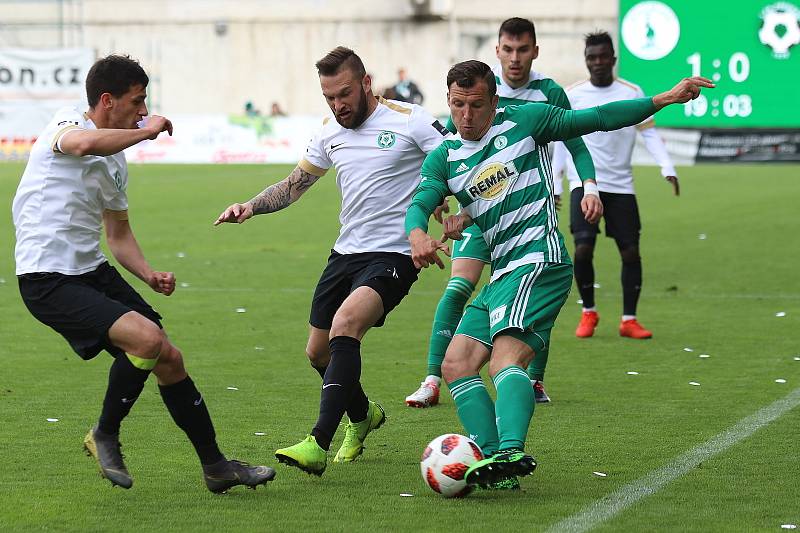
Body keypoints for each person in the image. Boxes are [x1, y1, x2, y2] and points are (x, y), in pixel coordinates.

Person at [406, 60, 712, 488]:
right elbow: (421, 201)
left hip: (539, 260)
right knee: (457, 364)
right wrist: (419, 233)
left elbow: (599, 119)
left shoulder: (526, 120)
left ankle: (510, 450)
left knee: (504, 361)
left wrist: (662, 99)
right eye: (458, 105)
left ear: (494, 100)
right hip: (504, 273)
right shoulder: (445, 156)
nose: (467, 116)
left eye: (476, 105)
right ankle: (496, 467)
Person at [12, 55, 275, 493]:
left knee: (168, 356)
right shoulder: (67, 123)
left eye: (145, 103)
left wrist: (148, 273)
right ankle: (104, 433)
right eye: (137, 102)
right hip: (46, 276)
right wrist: (145, 131)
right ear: (107, 101)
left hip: (89, 270)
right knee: (147, 340)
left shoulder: (117, 163)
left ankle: (216, 467)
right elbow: (80, 145)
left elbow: (118, 235)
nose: (143, 109)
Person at [214, 46, 450, 476]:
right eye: (329, 98)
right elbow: (294, 185)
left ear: (365, 83)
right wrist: (250, 206)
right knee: (317, 352)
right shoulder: (329, 132)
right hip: (345, 253)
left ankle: (317, 442)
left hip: (395, 253)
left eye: (344, 94)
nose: (338, 105)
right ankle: (363, 417)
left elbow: (453, 164)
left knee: (346, 325)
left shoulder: (409, 119)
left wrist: (441, 208)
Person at [405, 17, 597, 409]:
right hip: (478, 211)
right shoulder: (475, 88)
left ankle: (533, 378)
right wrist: (440, 197)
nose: (514, 58)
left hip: (524, 209)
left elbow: (575, 139)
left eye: (522, 49)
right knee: (458, 288)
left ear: (534, 51)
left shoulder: (547, 93)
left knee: (528, 293)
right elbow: (453, 146)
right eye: (507, 50)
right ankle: (432, 376)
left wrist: (588, 185)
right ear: (497, 51)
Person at [552, 31, 680, 339]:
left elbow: (648, 132)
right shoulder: (573, 94)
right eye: (591, 58)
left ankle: (629, 319)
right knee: (582, 250)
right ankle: (588, 313)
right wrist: (556, 184)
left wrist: (667, 166)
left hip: (622, 186)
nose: (597, 63)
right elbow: (562, 139)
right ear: (586, 60)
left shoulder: (632, 91)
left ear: (613, 59)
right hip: (584, 183)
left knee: (630, 253)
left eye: (602, 57)